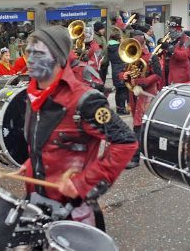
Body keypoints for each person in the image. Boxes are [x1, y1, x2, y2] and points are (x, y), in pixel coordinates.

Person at [19, 26, 138, 231]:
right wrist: (33, 163)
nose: (29, 59)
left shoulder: (86, 100)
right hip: (37, 204)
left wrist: (83, 183)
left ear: (57, 57)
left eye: (38, 53)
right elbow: (50, 143)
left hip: (72, 214)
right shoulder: (35, 95)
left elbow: (126, 142)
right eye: (28, 52)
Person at [119, 34, 163, 169]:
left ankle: (136, 157)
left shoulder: (151, 58)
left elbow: (158, 75)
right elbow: (120, 73)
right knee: (138, 125)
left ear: (142, 45)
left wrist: (142, 81)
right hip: (134, 95)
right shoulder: (129, 58)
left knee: (142, 126)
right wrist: (124, 76)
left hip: (147, 94)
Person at [160, 16, 190, 85]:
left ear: (177, 29)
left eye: (171, 28)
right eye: (169, 28)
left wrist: (169, 47)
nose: (169, 30)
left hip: (179, 75)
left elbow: (183, 56)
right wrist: (161, 48)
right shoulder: (170, 39)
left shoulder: (186, 39)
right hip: (167, 72)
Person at [107, 32, 128, 115]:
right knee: (122, 90)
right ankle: (122, 109)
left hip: (114, 70)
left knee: (118, 90)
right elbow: (123, 58)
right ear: (118, 39)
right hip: (121, 70)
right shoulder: (119, 48)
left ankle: (119, 108)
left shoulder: (110, 47)